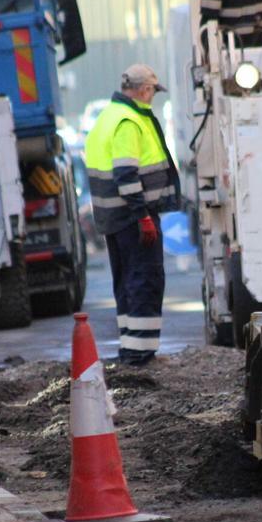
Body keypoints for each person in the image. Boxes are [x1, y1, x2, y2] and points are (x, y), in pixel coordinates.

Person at [84, 63, 181, 366]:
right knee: (144, 279)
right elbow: (126, 174)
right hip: (132, 216)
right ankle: (141, 354)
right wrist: (143, 216)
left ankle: (130, 348)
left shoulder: (108, 117)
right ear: (143, 89)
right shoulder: (128, 121)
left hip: (114, 217)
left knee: (127, 281)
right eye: (152, 91)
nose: (153, 97)